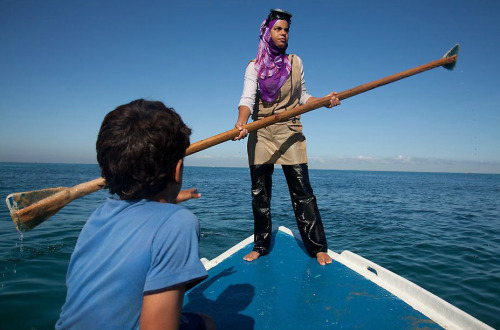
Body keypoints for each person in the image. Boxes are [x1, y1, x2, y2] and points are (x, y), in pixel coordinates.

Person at [56, 99, 214, 330]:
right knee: (207, 323)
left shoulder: (99, 215)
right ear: (177, 170)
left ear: (105, 168)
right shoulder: (178, 222)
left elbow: (145, 208)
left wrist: (176, 197)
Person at [233, 9, 340, 266]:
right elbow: (247, 99)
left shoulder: (296, 62)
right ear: (267, 32)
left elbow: (303, 97)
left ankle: (317, 247)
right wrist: (241, 122)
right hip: (261, 132)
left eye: (286, 30)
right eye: (278, 29)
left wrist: (323, 102)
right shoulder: (254, 66)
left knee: (302, 190)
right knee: (260, 193)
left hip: (290, 130)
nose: (283, 34)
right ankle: (260, 244)